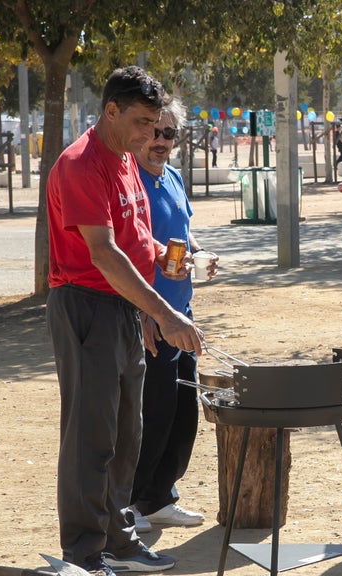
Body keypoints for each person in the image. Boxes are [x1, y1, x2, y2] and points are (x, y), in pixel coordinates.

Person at [45, 65, 204, 576]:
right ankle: (85, 553)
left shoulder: (124, 161)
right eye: (140, 122)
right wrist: (164, 311)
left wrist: (170, 258)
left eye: (155, 124)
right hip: (86, 304)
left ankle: (116, 534)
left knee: (127, 432)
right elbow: (105, 253)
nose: (148, 135)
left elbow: (136, 238)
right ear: (110, 111)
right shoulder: (79, 165)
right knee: (91, 436)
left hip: (122, 308)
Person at [125, 97, 218, 534]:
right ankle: (131, 505)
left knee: (184, 415)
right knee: (153, 415)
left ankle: (161, 496)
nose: (159, 142)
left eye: (168, 134)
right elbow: (123, 250)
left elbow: (183, 232)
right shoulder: (129, 182)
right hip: (151, 315)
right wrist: (142, 311)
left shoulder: (174, 178)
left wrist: (200, 253)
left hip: (183, 313)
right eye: (153, 132)